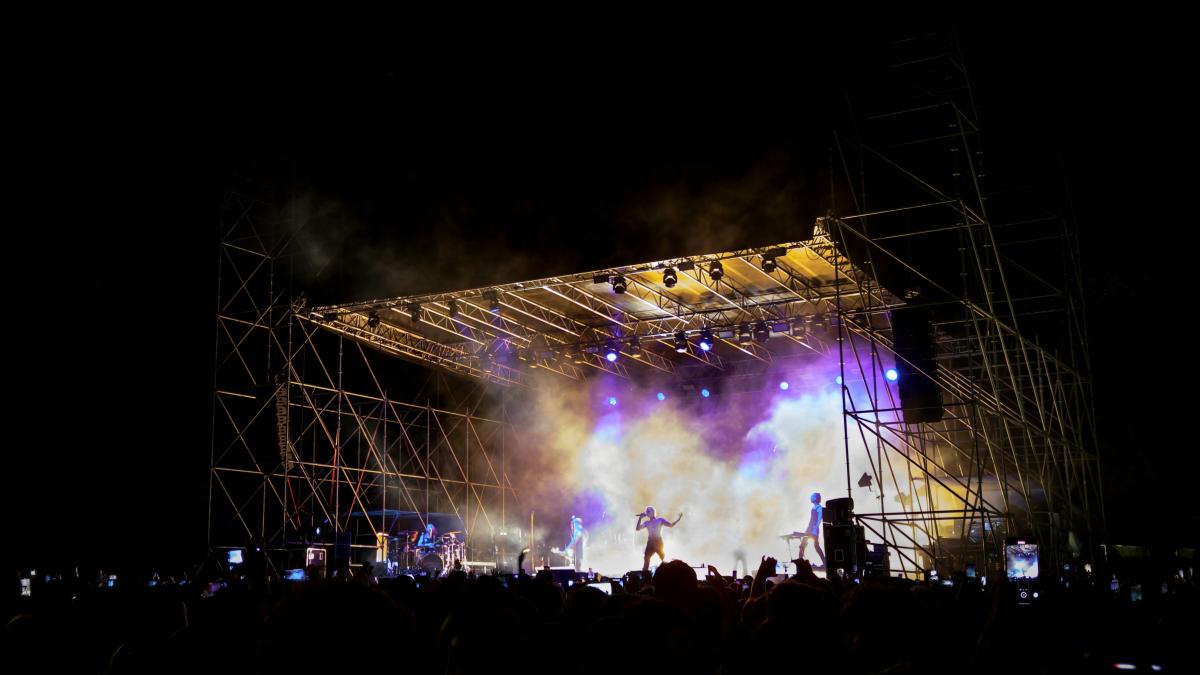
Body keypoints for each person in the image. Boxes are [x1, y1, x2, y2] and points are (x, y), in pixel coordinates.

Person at [636, 506, 682, 573]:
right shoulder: (646, 523)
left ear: (653, 512)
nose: (647, 513)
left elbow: (671, 525)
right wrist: (640, 518)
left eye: (649, 511)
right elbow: (637, 529)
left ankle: (669, 573)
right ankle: (645, 575)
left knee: (663, 558)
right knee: (646, 559)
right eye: (647, 511)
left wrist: (678, 519)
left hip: (658, 542)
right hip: (650, 543)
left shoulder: (660, 520)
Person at [798, 492, 826, 568]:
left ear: (815, 498)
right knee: (803, 545)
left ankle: (825, 563)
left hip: (813, 529)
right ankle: (800, 561)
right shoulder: (814, 507)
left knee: (815, 546)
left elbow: (820, 517)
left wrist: (815, 527)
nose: (811, 498)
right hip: (809, 528)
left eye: (812, 497)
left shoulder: (819, 507)